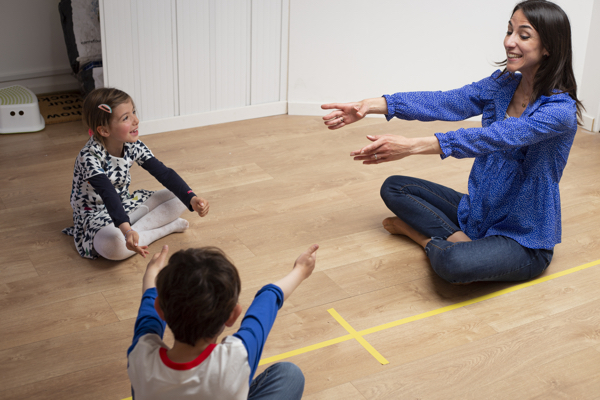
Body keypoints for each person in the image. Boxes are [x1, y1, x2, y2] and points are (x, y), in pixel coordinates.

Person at [321, 0, 583, 284]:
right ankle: (463, 239)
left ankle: (422, 237)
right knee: (395, 187)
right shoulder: (502, 84)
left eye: (523, 34)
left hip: (523, 238)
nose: (509, 42)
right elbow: (448, 102)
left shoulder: (559, 111)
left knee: (453, 263)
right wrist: (372, 104)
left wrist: (411, 147)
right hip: (479, 213)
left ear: (548, 47)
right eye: (509, 31)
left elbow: (493, 138)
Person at [127, 243, 319, 400]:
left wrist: (152, 272)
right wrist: (301, 269)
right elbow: (267, 302)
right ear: (233, 315)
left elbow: (148, 312)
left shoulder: (140, 356)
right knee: (289, 375)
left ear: (160, 309)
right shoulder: (236, 359)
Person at [62, 88, 210, 260]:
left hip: (124, 204)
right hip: (95, 216)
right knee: (115, 246)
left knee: (180, 198)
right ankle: (163, 229)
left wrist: (191, 198)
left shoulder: (133, 144)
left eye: (133, 112)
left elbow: (164, 173)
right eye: (126, 118)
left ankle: (137, 231)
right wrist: (126, 231)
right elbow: (108, 193)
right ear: (104, 131)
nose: (136, 120)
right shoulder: (89, 156)